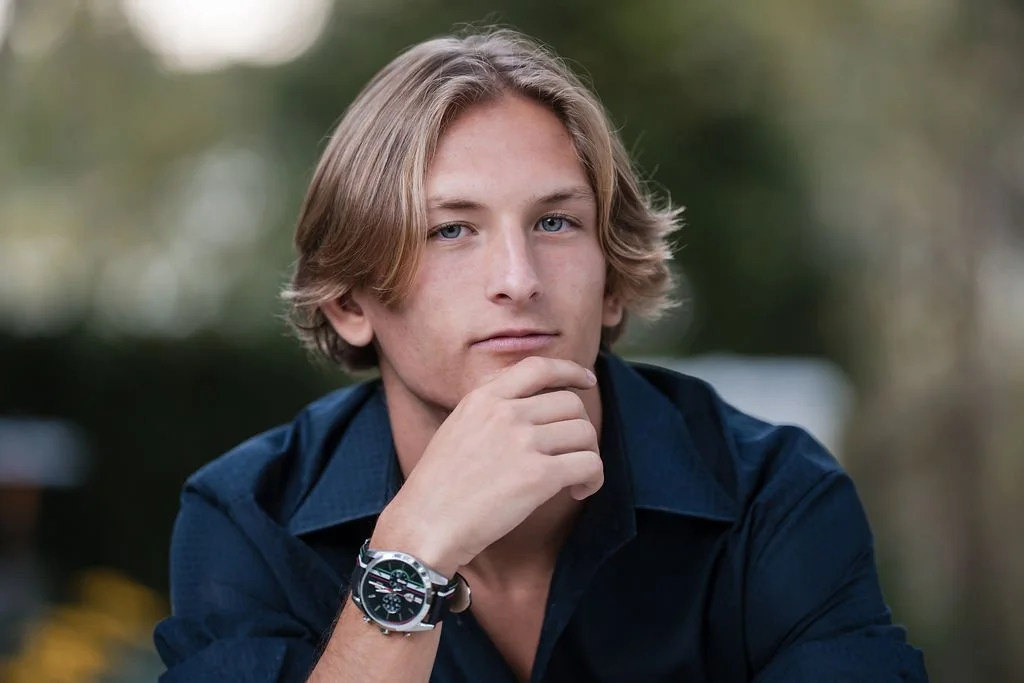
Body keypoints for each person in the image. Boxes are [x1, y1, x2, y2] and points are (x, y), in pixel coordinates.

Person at [153, 27, 929, 683]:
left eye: (555, 223)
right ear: (350, 303)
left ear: (613, 281)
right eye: (450, 229)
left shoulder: (775, 496)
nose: (518, 281)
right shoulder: (246, 517)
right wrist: (412, 554)